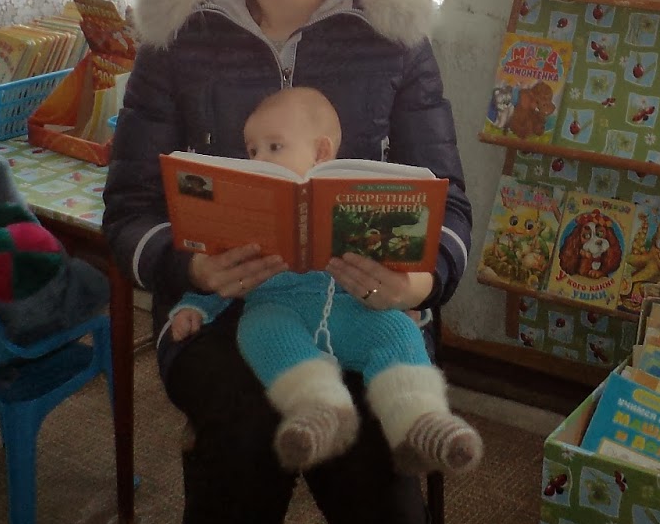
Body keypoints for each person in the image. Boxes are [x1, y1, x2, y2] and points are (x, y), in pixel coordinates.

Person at [103, 0, 473, 524]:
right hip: (221, 311)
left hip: (365, 308)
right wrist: (191, 268)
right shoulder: (181, 35)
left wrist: (419, 284)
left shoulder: (391, 36)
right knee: (241, 455)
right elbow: (128, 210)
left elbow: (449, 202)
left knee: (385, 514)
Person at [167, 86, 482, 475]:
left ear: (320, 152)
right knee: (259, 330)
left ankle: (421, 421)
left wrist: (404, 294)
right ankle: (319, 407)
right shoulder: (253, 216)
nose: (260, 159)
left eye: (274, 147)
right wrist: (194, 305)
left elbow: (394, 261)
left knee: (397, 333)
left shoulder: (352, 200)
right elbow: (221, 269)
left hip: (354, 308)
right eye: (252, 151)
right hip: (279, 308)